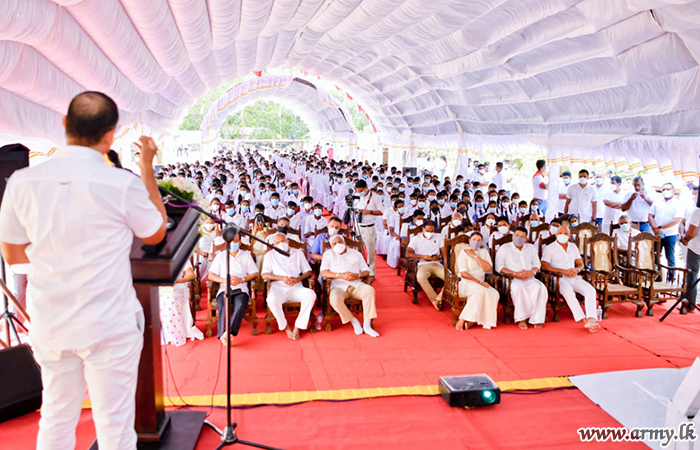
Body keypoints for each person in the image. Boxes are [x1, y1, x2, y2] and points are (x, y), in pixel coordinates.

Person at [0, 92, 167, 449]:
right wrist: (147, 167)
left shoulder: (21, 183)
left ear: (65, 125)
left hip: (51, 321)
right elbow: (155, 232)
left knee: (56, 419)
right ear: (110, 136)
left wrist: (58, 259)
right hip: (109, 322)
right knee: (115, 428)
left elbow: (13, 256)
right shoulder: (120, 184)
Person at [541, 227, 599, 333]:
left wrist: (577, 270)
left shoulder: (573, 247)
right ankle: (583, 319)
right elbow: (544, 265)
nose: (562, 235)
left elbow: (580, 263)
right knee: (568, 292)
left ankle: (591, 318)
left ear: (569, 235)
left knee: (590, 290)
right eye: (560, 233)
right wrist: (563, 271)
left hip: (574, 276)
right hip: (559, 278)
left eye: (565, 233)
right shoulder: (550, 248)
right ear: (556, 235)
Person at [320, 235, 379, 336]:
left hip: (356, 284)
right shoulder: (328, 254)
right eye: (334, 243)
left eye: (340, 242)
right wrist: (340, 275)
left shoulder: (356, 254)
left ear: (345, 243)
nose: (338, 245)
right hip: (338, 286)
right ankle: (353, 321)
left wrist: (357, 275)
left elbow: (366, 270)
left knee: (369, 290)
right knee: (334, 299)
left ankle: (367, 326)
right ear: (331, 246)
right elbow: (324, 273)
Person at [207, 232, 259, 346]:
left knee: (240, 305)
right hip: (225, 288)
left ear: (239, 242)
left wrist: (242, 279)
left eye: (235, 241)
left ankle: (228, 333)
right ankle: (225, 333)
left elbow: (255, 273)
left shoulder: (246, 255)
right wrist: (226, 280)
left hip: (241, 288)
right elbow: (211, 275)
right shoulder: (220, 256)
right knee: (222, 305)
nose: (233, 243)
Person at [261, 233, 316, 340]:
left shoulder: (298, 253)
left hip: (296, 287)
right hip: (278, 287)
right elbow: (265, 275)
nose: (281, 244)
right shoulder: (269, 255)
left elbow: (308, 271)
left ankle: (298, 326)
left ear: (288, 241)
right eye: (277, 242)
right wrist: (282, 278)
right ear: (274, 245)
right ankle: (285, 327)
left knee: (310, 295)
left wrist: (298, 279)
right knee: (271, 299)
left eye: (283, 241)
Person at [495, 227, 548, 329]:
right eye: (517, 235)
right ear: (512, 236)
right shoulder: (504, 248)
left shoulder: (531, 248)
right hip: (512, 279)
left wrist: (532, 272)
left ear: (526, 238)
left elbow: (537, 264)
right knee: (519, 288)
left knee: (540, 288)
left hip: (529, 278)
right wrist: (515, 273)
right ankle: (522, 319)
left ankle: (536, 318)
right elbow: (499, 267)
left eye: (522, 237)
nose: (519, 238)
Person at [454, 232, 500, 330]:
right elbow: (463, 273)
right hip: (466, 281)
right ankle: (462, 319)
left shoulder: (484, 252)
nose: (476, 242)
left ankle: (476, 320)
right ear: (469, 241)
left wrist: (475, 256)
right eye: (474, 239)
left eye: (479, 240)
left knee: (494, 293)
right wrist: (479, 282)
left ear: (482, 242)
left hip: (481, 281)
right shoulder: (464, 252)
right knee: (478, 292)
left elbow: (487, 268)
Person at [159, 259, 204, 347]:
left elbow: (191, 275)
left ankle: (174, 333)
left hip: (177, 287)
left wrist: (176, 281)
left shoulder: (181, 257)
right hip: (159, 288)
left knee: (170, 301)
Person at [406, 221, 445, 310]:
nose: (430, 233)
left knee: (451, 279)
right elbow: (408, 254)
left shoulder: (439, 237)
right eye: (427, 231)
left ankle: (438, 299)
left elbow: (444, 252)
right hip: (423, 264)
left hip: (436, 264)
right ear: (423, 229)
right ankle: (434, 299)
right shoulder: (416, 239)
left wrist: (439, 257)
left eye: (432, 231)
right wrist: (422, 256)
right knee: (420, 277)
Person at [649, 182, 684, 269]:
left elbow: (676, 219)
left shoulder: (678, 203)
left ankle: (671, 275)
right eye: (663, 189)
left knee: (670, 256)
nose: (665, 191)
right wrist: (654, 226)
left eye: (668, 189)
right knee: (655, 255)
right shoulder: (657, 202)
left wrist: (660, 227)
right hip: (657, 234)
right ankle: (656, 274)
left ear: (673, 191)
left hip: (671, 234)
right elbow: (650, 215)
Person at [353, 179, 383, 278]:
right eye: (358, 191)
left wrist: (369, 212)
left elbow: (381, 211)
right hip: (357, 226)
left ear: (366, 187)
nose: (360, 193)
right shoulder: (357, 196)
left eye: (361, 191)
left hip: (369, 227)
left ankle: (371, 273)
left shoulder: (375, 197)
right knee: (357, 249)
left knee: (370, 251)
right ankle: (359, 270)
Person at [681, 201, 700, 311]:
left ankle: (690, 305)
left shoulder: (697, 211)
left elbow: (690, 233)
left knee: (692, 275)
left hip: (696, 248)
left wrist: (685, 239)